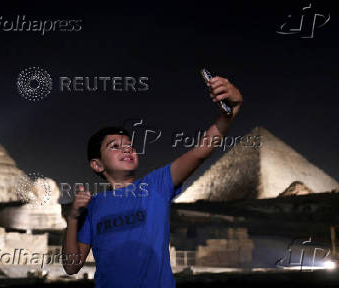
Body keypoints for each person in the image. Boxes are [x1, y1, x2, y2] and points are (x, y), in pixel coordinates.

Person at [62, 76, 243, 287]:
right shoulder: (92, 207)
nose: (127, 149)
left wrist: (231, 112)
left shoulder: (157, 185)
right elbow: (71, 266)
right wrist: (73, 218)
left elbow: (199, 152)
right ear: (97, 165)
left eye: (129, 145)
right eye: (114, 146)